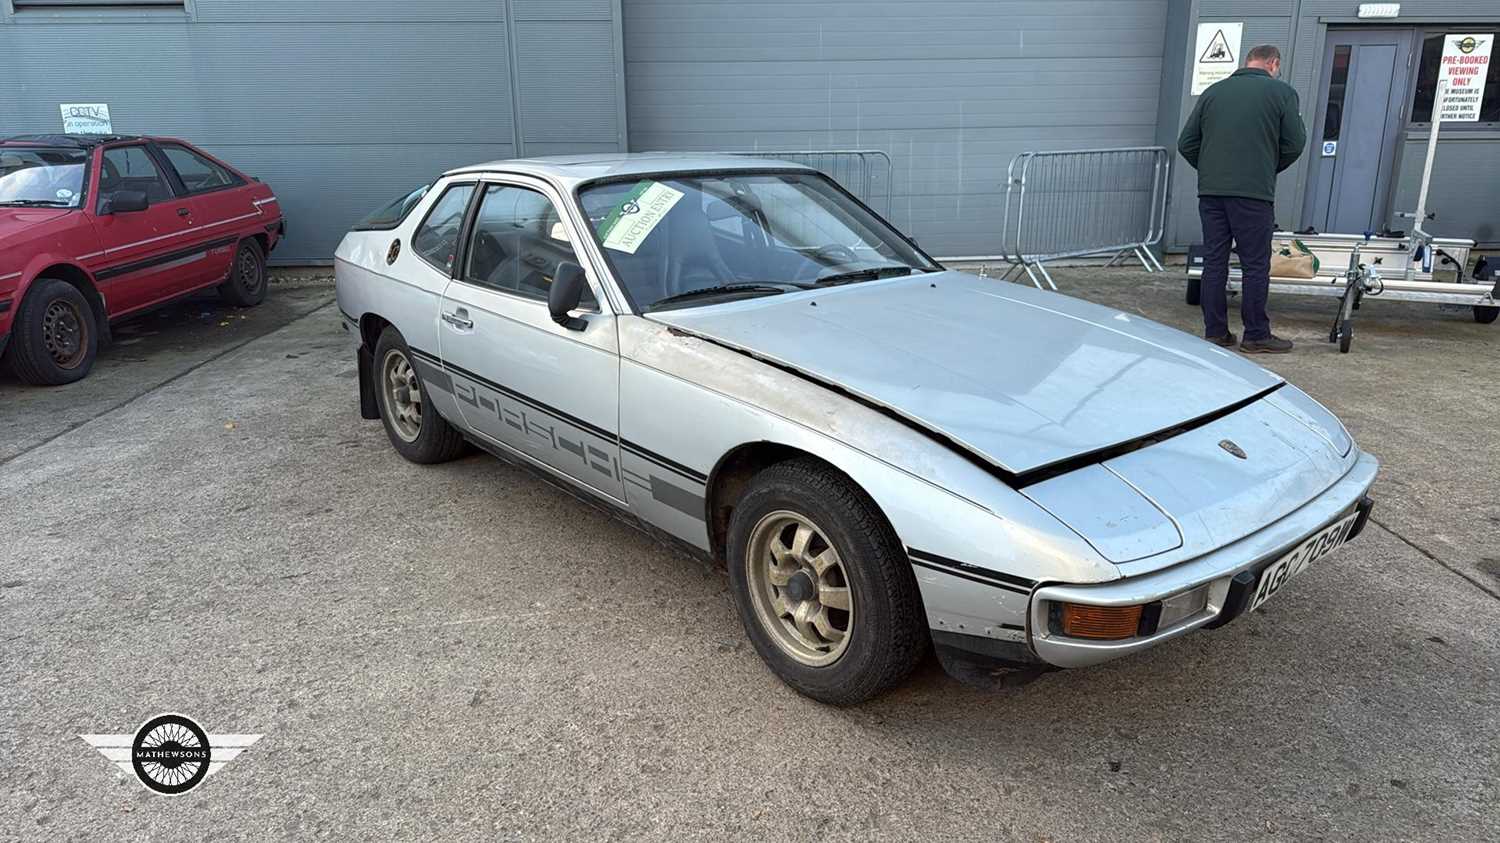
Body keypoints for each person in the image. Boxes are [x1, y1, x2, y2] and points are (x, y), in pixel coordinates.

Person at [1178, 44, 1306, 353]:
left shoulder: (1213, 92)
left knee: (1214, 262)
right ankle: (1256, 335)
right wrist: (1267, 167)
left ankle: (1216, 332)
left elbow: (1186, 143)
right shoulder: (1282, 94)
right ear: (1273, 64)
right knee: (1254, 265)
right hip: (1253, 194)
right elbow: (1295, 143)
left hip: (1211, 193)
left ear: (1247, 61)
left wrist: (1211, 170)